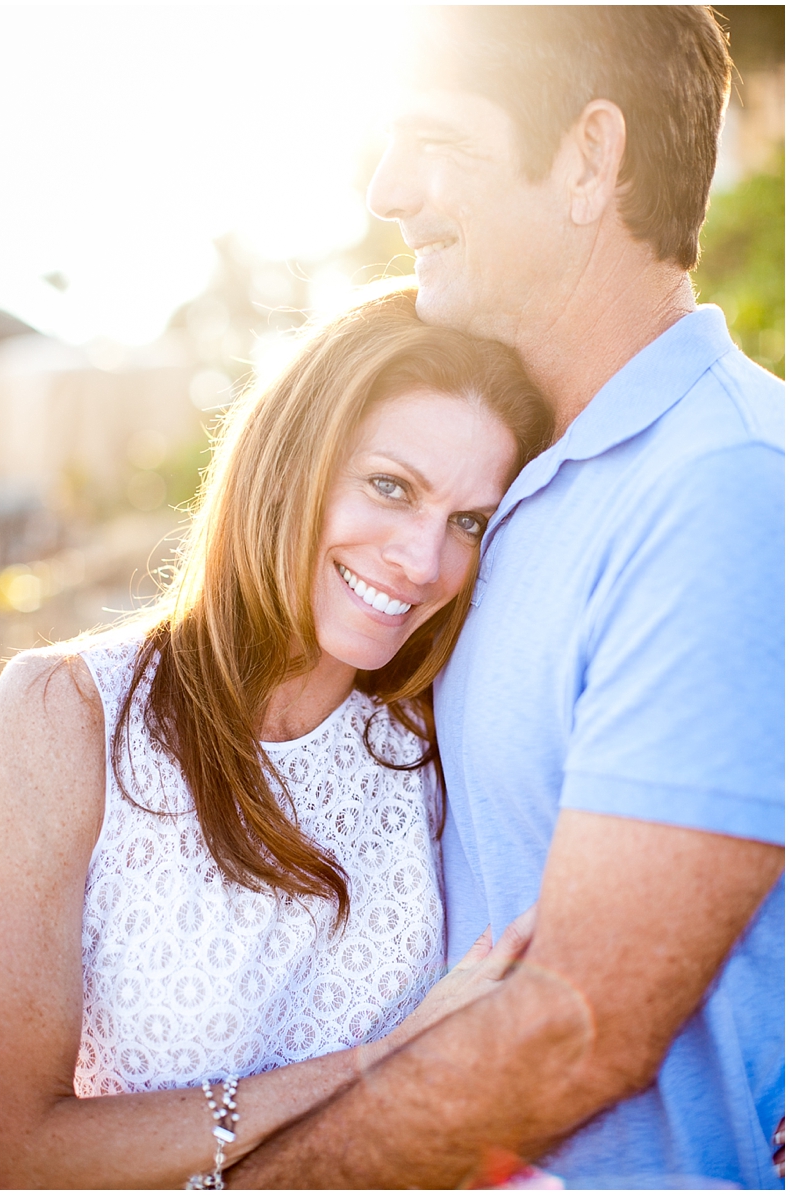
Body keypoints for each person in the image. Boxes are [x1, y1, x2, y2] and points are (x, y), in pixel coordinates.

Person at [226, 7, 784, 1190]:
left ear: (587, 156)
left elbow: (568, 1030)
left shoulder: (723, 488)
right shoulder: (502, 483)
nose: (386, 190)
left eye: (434, 140)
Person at [0, 290, 555, 1189]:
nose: (423, 561)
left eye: (467, 522)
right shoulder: (65, 712)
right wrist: (381, 1064)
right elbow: (15, 1151)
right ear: (291, 462)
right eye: (390, 486)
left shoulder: (435, 733)